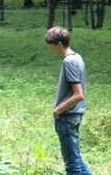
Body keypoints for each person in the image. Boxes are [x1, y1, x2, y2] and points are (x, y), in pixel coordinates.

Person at [45, 26, 92, 175]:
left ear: (58, 44)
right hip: (74, 116)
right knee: (77, 161)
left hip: (67, 117)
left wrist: (58, 110)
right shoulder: (77, 57)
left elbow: (78, 94)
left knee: (72, 166)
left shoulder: (69, 62)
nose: (50, 49)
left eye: (50, 46)